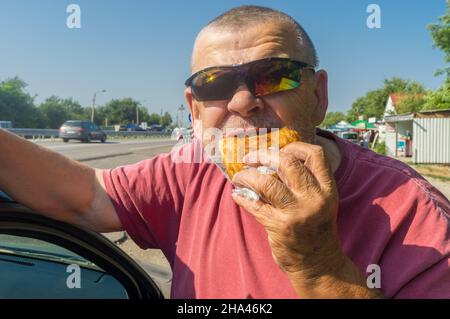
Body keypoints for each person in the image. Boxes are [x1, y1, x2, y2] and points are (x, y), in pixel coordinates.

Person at [0, 5, 449, 299]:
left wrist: (318, 265)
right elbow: (83, 197)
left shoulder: (416, 213)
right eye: (214, 84)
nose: (242, 102)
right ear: (194, 109)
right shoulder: (189, 172)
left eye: (274, 76)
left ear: (318, 94)